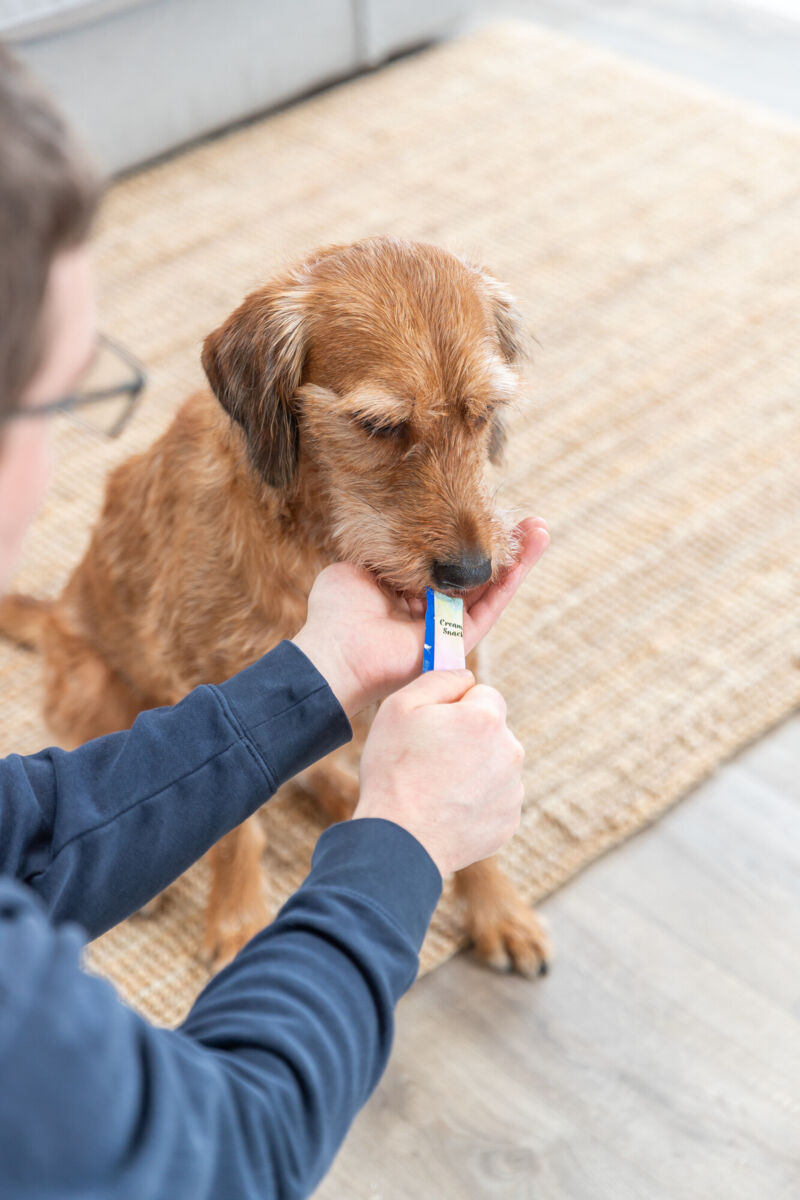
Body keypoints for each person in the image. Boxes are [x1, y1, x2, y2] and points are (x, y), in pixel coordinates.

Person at [0, 46, 549, 1200]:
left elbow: (21, 833)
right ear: (272, 404)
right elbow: (224, 1156)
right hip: (130, 657)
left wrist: (310, 690)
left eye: (474, 423)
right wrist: (397, 842)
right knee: (141, 674)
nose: (464, 530)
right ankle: (239, 860)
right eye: (54, 396)